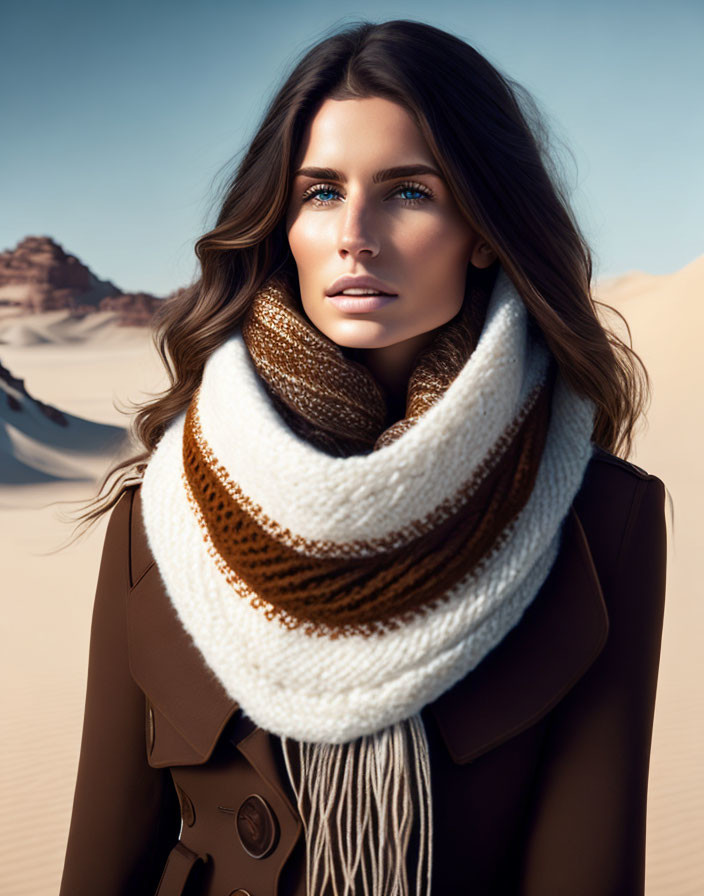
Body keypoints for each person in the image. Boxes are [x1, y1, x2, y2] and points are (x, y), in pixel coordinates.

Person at [59, 18, 669, 896]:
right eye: (318, 193)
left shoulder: (600, 521)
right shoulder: (158, 515)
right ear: (283, 225)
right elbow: (100, 865)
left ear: (486, 228)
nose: (355, 234)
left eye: (409, 192)